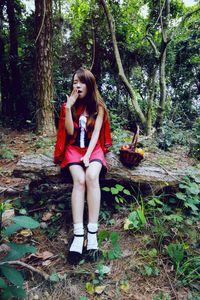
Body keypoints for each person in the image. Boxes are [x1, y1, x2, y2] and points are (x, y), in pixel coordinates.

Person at [54, 68, 112, 265]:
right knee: (79, 180)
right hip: (73, 149)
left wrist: (88, 156)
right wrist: (68, 107)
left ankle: (92, 233)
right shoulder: (69, 105)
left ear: (89, 84)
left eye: (81, 82)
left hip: (93, 149)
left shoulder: (99, 107)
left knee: (91, 177)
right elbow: (69, 131)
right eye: (74, 82)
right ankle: (79, 235)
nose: (76, 86)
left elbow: (96, 135)